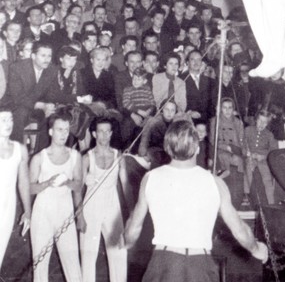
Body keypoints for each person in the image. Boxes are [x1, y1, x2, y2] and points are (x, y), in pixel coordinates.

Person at [122, 120, 268, 282]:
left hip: (163, 263)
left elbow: (133, 230)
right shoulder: (215, 183)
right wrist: (256, 248)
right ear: (197, 148)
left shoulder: (150, 178)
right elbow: (239, 230)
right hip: (200, 266)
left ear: (167, 148)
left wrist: (126, 242)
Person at [29, 110, 83, 282]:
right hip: (42, 210)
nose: (63, 134)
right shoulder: (39, 158)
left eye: (66, 130)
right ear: (51, 131)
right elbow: (29, 188)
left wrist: (67, 182)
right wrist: (47, 183)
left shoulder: (75, 156)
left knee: (73, 264)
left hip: (65, 210)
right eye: (59, 129)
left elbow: (78, 186)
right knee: (40, 264)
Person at [79, 116, 126, 282]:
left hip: (113, 207)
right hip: (91, 207)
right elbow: (77, 189)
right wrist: (79, 216)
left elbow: (126, 186)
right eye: (101, 132)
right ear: (94, 134)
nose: (104, 135)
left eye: (107, 132)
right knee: (88, 256)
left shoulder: (118, 155)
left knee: (119, 254)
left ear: (111, 133)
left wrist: (130, 213)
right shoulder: (86, 158)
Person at [0, 109, 31, 269]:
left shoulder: (20, 149)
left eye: (10, 119)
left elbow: (23, 182)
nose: (8, 124)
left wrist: (27, 211)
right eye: (3, 120)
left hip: (7, 209)